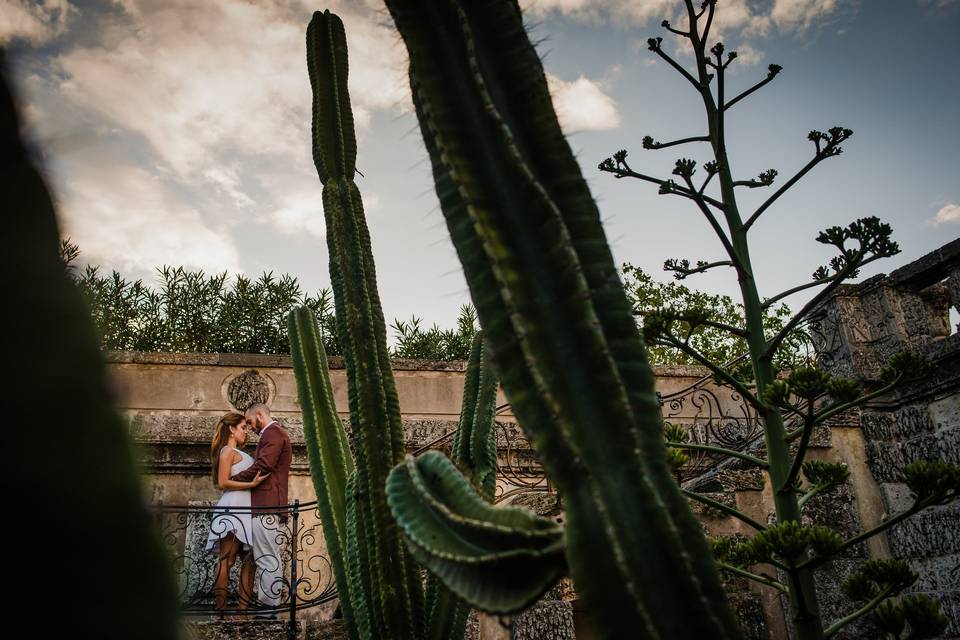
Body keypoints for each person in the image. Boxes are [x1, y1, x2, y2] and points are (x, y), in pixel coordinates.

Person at [230, 403, 293, 618]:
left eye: (249, 421)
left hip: (267, 506)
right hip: (266, 506)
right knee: (265, 557)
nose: (249, 426)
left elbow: (264, 465)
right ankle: (267, 608)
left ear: (259, 415)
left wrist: (232, 480)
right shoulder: (273, 434)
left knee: (267, 558)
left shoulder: (273, 433)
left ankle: (267, 611)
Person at [205, 412, 269, 619]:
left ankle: (242, 612)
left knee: (250, 561)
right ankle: (220, 611)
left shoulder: (238, 452)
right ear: (231, 429)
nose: (246, 431)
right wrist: (251, 484)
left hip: (246, 509)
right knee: (227, 560)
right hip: (232, 509)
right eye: (243, 427)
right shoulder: (227, 451)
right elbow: (223, 482)